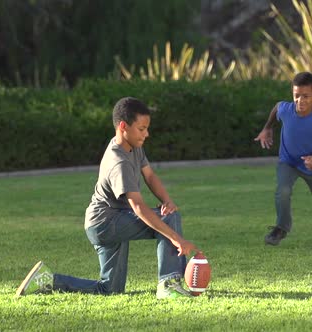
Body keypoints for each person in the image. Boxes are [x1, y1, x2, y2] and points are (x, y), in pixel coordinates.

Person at [16, 97, 199, 299]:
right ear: (123, 126)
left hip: (103, 222)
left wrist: (167, 201)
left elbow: (149, 175)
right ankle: (169, 284)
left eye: (147, 128)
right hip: (106, 223)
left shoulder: (133, 146)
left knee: (110, 289)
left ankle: (47, 280)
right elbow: (138, 207)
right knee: (169, 219)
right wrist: (178, 239)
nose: (147, 134)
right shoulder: (118, 161)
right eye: (142, 128)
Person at [254, 72, 312, 245]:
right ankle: (280, 228)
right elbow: (277, 107)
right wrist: (267, 128)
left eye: (306, 96)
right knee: (283, 191)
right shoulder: (286, 110)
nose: (300, 101)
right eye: (296, 96)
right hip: (288, 162)